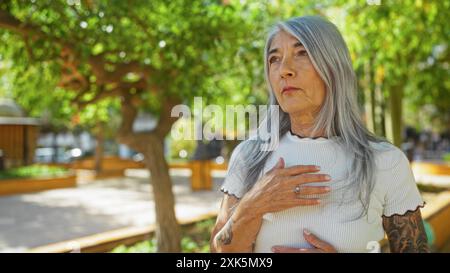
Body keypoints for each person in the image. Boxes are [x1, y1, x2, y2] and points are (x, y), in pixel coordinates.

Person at [210, 16, 429, 253]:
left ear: (333, 67)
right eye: (274, 59)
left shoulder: (386, 162)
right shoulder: (250, 155)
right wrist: (253, 205)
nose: (284, 70)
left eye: (302, 53)